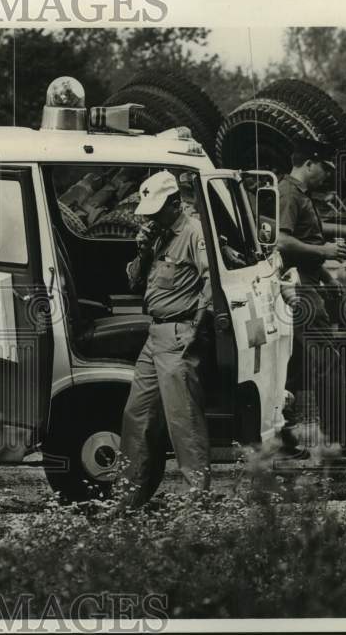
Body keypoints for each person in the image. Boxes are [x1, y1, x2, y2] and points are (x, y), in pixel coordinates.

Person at [118, 170, 213, 508]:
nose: (152, 217)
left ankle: (197, 499)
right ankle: (128, 497)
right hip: (155, 333)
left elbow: (210, 281)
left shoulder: (193, 232)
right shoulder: (158, 236)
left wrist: (197, 327)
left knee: (183, 420)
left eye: (158, 210)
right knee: (137, 416)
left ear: (176, 203)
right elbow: (133, 282)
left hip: (178, 332)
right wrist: (143, 250)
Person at [276, 139, 346, 458]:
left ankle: (283, 439)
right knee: (327, 363)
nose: (327, 176)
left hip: (307, 285)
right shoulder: (289, 193)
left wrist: (329, 278)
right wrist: (325, 252)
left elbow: (303, 242)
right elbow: (282, 241)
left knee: (292, 369)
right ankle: (338, 442)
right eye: (325, 169)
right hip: (300, 290)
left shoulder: (300, 194)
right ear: (308, 164)